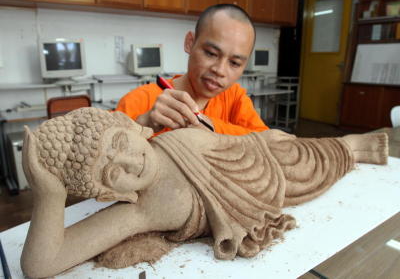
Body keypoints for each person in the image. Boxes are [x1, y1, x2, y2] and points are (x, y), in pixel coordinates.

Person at [21, 108, 388, 278]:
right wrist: (49, 195)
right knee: (314, 167)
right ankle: (351, 147)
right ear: (104, 194)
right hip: (270, 187)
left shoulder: (169, 137)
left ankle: (351, 146)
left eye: (120, 143)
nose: (131, 162)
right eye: (113, 172)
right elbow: (41, 265)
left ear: (133, 128)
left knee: (307, 153)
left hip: (265, 152)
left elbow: (232, 142)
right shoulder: (140, 210)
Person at [116, 4, 268, 136]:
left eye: (234, 63)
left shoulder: (234, 98)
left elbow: (268, 142)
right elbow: (103, 150)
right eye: (211, 54)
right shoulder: (140, 100)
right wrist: (143, 125)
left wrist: (212, 127)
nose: (220, 70)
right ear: (190, 43)